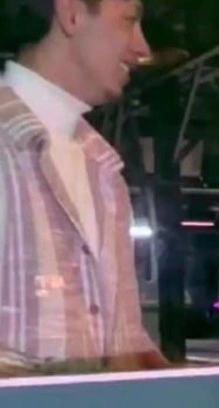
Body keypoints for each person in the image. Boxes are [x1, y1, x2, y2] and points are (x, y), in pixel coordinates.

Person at [0, 0, 168, 374]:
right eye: (128, 21)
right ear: (72, 13)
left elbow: (126, 341)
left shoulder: (104, 169)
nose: (142, 49)